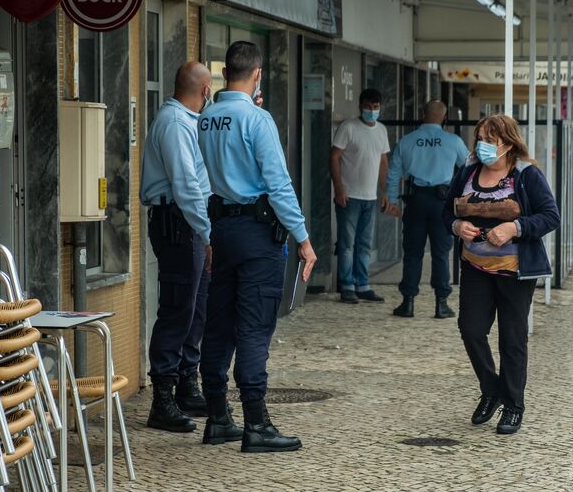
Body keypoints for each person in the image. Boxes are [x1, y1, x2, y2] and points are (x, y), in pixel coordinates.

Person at [197, 41, 317, 453]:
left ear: (224, 72)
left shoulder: (206, 118)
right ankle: (256, 423)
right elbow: (278, 185)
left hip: (220, 229)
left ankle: (217, 416)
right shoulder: (257, 119)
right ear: (257, 74)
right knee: (254, 325)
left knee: (219, 323)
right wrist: (303, 239)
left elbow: (203, 181)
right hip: (257, 234)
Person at [443, 114, 559, 435]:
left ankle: (513, 405)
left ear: (507, 143)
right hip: (475, 267)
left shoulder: (526, 174)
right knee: (470, 329)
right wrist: (456, 226)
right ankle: (491, 389)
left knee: (512, 338)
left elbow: (551, 216)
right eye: (480, 138)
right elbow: (446, 211)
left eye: (490, 141)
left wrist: (514, 228)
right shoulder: (468, 171)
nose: (483, 145)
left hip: (515, 271)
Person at [140, 62, 214, 433]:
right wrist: (208, 233)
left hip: (190, 226)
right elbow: (186, 186)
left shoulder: (188, 121)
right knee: (177, 310)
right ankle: (162, 399)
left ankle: (186, 383)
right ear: (205, 90)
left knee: (195, 309)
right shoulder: (173, 123)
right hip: (179, 226)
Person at [386, 100, 468, 319]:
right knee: (441, 253)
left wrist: (392, 200)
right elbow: (469, 169)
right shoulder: (454, 141)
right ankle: (441, 304)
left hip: (416, 201)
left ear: (423, 115)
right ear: (444, 118)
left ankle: (408, 303)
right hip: (442, 203)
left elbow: (394, 173)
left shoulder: (407, 140)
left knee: (413, 252)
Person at [329, 88, 390, 304]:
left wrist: (385, 192)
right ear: (360, 106)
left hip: (370, 197)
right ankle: (347, 286)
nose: (371, 111)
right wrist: (339, 188)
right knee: (347, 244)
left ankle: (362, 284)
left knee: (364, 243)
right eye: (367, 107)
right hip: (349, 196)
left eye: (375, 107)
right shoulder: (349, 127)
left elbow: (383, 162)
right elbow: (334, 157)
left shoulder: (381, 130)